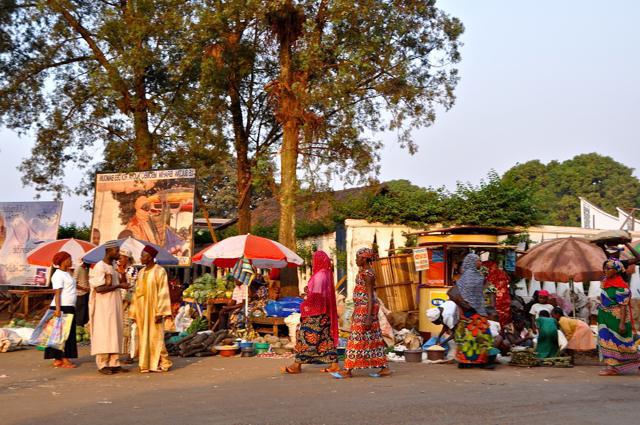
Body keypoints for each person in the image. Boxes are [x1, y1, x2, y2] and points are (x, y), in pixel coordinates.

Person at [332, 248, 389, 378]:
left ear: (364, 259)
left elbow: (370, 296)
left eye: (358, 258)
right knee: (374, 338)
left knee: (355, 339)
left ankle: (348, 369)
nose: (356, 260)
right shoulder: (364, 272)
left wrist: (368, 317)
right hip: (362, 308)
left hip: (366, 309)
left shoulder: (368, 274)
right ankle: (384, 367)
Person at [283, 251, 339, 374]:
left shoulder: (319, 276)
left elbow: (316, 296)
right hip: (324, 311)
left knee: (304, 337)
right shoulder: (326, 274)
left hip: (316, 312)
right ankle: (334, 364)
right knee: (325, 338)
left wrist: (305, 301)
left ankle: (297, 365)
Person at [129, 245, 173, 373]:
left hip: (154, 309)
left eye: (144, 255)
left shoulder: (160, 271)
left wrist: (161, 312)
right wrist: (133, 312)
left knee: (156, 337)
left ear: (151, 257)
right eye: (141, 255)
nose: (141, 258)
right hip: (141, 310)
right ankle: (146, 364)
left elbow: (163, 292)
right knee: (143, 337)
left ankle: (164, 362)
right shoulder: (141, 272)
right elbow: (136, 293)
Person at [89, 240, 129, 375]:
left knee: (115, 333)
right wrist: (118, 286)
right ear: (108, 251)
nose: (119, 253)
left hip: (114, 305)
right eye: (116, 251)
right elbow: (99, 288)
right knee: (104, 334)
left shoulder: (112, 266)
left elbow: (119, 283)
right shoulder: (100, 267)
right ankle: (102, 364)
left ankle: (114, 363)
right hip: (104, 307)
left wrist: (122, 275)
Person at [597, 259, 640, 376]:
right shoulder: (605, 282)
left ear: (616, 270)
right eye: (604, 268)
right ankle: (612, 367)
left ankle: (617, 367)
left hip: (616, 319)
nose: (605, 270)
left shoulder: (622, 287)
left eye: (608, 268)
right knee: (606, 341)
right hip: (604, 317)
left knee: (621, 343)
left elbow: (623, 307)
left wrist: (621, 323)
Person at [45, 251, 78, 368]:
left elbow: (71, 287)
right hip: (62, 306)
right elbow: (57, 293)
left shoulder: (67, 273)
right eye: (69, 259)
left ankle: (58, 358)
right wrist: (58, 310)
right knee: (64, 334)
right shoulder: (58, 275)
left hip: (69, 306)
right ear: (62, 261)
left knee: (61, 333)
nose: (71, 261)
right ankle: (64, 358)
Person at [116, 248, 137, 364]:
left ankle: (130, 354)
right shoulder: (118, 269)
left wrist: (125, 302)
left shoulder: (132, 270)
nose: (119, 259)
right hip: (119, 302)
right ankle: (122, 353)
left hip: (129, 304)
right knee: (121, 329)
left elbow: (131, 287)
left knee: (129, 329)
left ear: (127, 258)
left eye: (121, 257)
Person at [484, 261, 512, 327]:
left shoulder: (489, 284)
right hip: (500, 309)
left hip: (491, 310)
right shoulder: (500, 276)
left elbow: (492, 300)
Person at [73, 261, 91, 326]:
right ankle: (78, 327)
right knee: (80, 312)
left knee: (85, 312)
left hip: (86, 293)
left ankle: (82, 327)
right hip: (80, 294)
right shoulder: (78, 269)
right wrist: (84, 288)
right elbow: (74, 283)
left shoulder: (86, 269)